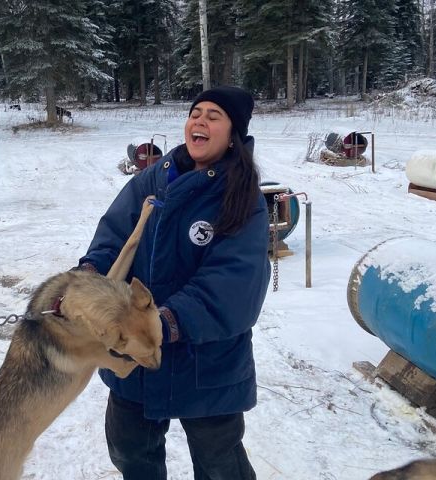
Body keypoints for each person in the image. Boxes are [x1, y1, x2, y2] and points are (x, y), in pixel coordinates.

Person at [76, 85, 270, 480]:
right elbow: (114, 236)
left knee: (221, 466)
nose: (199, 121)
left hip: (207, 365)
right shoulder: (153, 179)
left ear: (233, 133)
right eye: (195, 113)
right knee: (131, 455)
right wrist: (88, 279)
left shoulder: (242, 198)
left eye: (213, 116)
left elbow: (232, 284)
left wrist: (164, 322)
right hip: (135, 359)